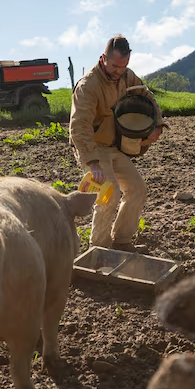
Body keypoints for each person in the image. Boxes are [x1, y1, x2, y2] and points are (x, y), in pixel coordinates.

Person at [69, 35, 164, 252]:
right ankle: (100, 248)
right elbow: (80, 126)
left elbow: (147, 96)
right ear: (103, 58)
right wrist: (92, 163)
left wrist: (158, 124)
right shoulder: (88, 85)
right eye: (115, 66)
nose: (119, 71)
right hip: (92, 147)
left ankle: (122, 241)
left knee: (137, 189)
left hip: (114, 147)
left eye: (124, 66)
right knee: (109, 193)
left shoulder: (127, 76)